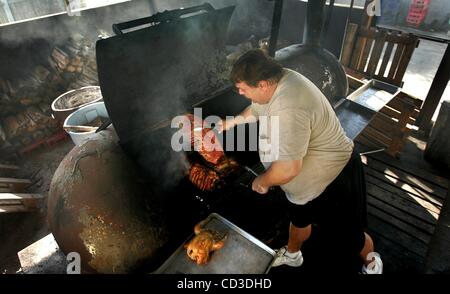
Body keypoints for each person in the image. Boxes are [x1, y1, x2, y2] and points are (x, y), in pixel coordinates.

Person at [217, 49, 383, 274]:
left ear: (263, 84)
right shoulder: (279, 79)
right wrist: (230, 123)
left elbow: (288, 169)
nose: (241, 93)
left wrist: (263, 181)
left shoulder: (289, 105)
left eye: (243, 89)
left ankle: (373, 265)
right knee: (299, 220)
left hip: (333, 178)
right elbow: (256, 109)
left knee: (352, 236)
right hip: (305, 185)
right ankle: (294, 255)